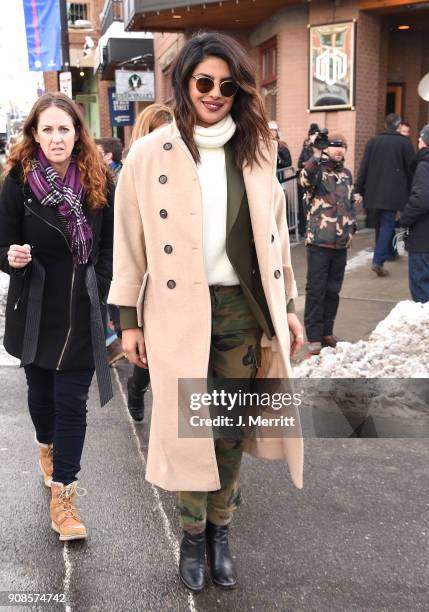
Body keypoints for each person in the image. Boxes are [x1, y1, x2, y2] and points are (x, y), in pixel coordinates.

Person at [109, 32, 304, 592]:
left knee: (228, 430)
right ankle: (192, 536)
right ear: (185, 84)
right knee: (194, 432)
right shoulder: (150, 154)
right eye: (203, 82)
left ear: (238, 89)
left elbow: (274, 238)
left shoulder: (257, 150)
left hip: (244, 311)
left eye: (226, 84)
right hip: (179, 312)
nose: (215, 93)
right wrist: (128, 320)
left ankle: (222, 531)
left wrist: (286, 306)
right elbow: (129, 240)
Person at [0, 93, 114, 541]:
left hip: (82, 307)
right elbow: (1, 244)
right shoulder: (18, 183)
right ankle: (44, 444)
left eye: (64, 128)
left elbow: (107, 248)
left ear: (77, 132)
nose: (56, 137)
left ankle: (64, 497)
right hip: (36, 305)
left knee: (73, 405)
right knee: (41, 397)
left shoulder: (99, 180)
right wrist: (11, 257)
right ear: (34, 134)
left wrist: (100, 287)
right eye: (46, 129)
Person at [126, 103, 173, 422]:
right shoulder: (132, 173)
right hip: (148, 281)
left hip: (180, 278)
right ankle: (136, 386)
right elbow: (126, 243)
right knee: (148, 357)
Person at [299, 131, 357, 357]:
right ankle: (313, 337)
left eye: (342, 146)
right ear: (326, 148)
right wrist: (316, 153)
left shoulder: (347, 174)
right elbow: (304, 177)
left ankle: (326, 333)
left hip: (341, 243)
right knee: (316, 290)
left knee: (333, 291)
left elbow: (349, 202)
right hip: (320, 243)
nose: (339, 150)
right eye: (334, 146)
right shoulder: (317, 172)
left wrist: (352, 226)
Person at [356, 113, 414, 277]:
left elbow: (364, 167)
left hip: (373, 193)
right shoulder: (404, 142)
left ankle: (390, 253)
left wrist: (359, 189)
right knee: (388, 225)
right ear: (398, 126)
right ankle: (379, 260)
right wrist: (412, 190)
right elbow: (410, 169)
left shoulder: (373, 142)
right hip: (394, 193)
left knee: (381, 226)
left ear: (384, 125)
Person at [95, 137, 125, 365]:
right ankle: (113, 341)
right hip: (106, 261)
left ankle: (114, 341)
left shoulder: (110, 179)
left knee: (103, 300)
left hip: (107, 259)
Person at [400, 124, 429, 303]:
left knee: (422, 292)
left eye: (421, 137)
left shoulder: (424, 166)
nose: (417, 140)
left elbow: (422, 199)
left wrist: (405, 218)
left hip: (423, 240)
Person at [296, 123, 320, 237]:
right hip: (307, 182)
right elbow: (300, 163)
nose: (314, 136)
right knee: (305, 206)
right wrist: (309, 164)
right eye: (312, 134)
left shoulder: (322, 147)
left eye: (316, 134)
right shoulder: (306, 148)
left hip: (318, 182)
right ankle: (305, 229)